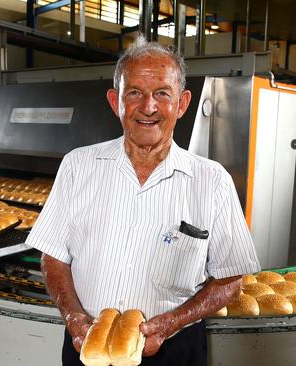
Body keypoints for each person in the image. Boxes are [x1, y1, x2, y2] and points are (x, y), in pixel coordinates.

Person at [25, 35, 260, 366]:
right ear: (115, 101)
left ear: (181, 103)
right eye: (134, 93)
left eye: (162, 94)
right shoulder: (78, 166)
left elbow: (230, 280)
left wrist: (170, 323)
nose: (148, 107)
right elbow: (54, 256)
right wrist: (73, 316)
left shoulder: (212, 181)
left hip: (173, 351)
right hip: (87, 346)